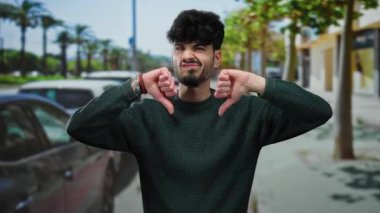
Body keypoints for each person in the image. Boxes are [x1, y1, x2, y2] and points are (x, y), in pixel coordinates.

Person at [67, 9, 332, 213]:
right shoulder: (145, 116)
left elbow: (318, 111)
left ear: (216, 58)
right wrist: (135, 86)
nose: (187, 55)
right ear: (173, 56)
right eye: (180, 47)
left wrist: (255, 82)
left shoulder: (247, 113)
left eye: (199, 48)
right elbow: (79, 126)